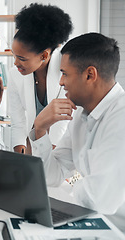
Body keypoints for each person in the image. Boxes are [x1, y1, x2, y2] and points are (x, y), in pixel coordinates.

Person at [30, 33, 125, 232]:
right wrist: (40, 128)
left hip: (113, 230)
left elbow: (98, 199)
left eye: (65, 73)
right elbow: (52, 176)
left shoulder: (120, 118)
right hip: (89, 221)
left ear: (90, 75)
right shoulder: (81, 114)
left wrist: (71, 186)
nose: (61, 82)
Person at [8, 3, 73, 154]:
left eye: (22, 58)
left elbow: (61, 125)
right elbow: (18, 123)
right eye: (14, 55)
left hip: (63, 151)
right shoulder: (14, 75)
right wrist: (20, 160)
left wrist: (49, 166)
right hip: (33, 149)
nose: (16, 63)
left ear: (44, 55)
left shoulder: (67, 71)